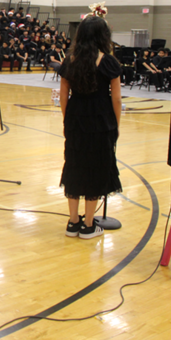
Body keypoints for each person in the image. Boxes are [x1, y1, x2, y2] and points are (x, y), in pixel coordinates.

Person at [58, 14, 122, 240]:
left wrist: (68, 119)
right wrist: (116, 124)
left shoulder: (70, 59)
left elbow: (63, 95)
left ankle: (72, 222)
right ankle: (88, 225)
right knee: (96, 168)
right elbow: (116, 99)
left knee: (74, 165)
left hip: (76, 117)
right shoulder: (108, 61)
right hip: (100, 120)